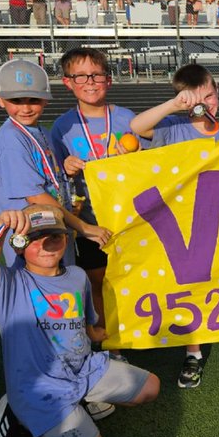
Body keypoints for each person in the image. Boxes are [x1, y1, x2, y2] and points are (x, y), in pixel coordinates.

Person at [0, 206, 159, 437]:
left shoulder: (77, 275)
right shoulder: (12, 283)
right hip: (40, 389)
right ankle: (20, 415)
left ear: (66, 239)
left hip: (84, 370)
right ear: (17, 245)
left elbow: (81, 319)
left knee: (150, 387)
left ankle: (77, 403)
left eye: (54, 237)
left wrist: (94, 332)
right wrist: (0, 224)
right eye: (33, 238)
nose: (45, 245)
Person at [130, 63, 219, 386]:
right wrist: (174, 104)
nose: (206, 105)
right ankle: (193, 352)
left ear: (218, 93)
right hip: (185, 224)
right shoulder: (173, 127)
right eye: (196, 99)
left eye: (210, 96)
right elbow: (136, 126)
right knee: (190, 288)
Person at [0, 58, 109, 267]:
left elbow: (49, 177)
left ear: (45, 100)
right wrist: (83, 227)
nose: (26, 108)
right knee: (40, 293)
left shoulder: (42, 132)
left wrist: (66, 172)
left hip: (55, 228)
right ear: (0, 100)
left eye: (33, 100)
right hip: (31, 237)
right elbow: (35, 195)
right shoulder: (11, 138)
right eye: (16, 101)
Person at [49, 47, 137, 327]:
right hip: (88, 219)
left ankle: (136, 329)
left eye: (96, 75)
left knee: (130, 277)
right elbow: (56, 180)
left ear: (108, 80)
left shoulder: (128, 119)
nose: (90, 82)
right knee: (96, 279)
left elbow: (150, 166)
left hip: (128, 217)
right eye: (81, 76)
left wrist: (134, 160)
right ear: (67, 82)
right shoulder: (62, 127)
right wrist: (65, 168)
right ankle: (109, 338)